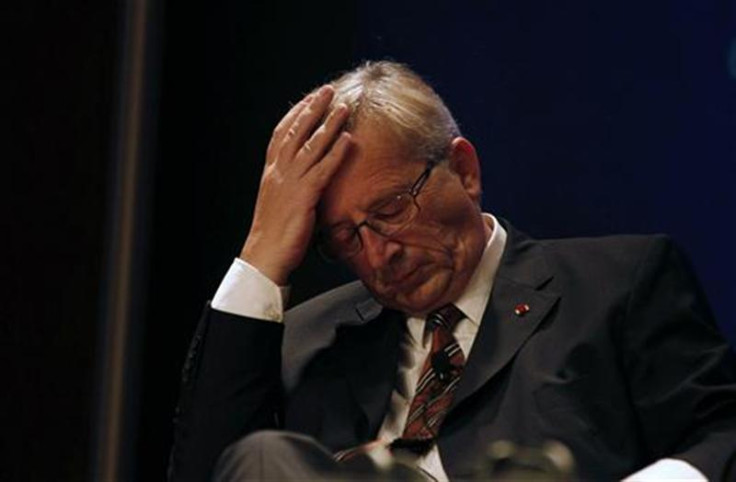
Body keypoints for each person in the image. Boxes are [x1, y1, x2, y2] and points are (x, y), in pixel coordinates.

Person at [169, 61, 736, 481]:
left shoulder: (616, 284)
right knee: (265, 457)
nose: (377, 255)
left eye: (391, 210)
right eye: (345, 238)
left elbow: (722, 435)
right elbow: (209, 471)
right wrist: (264, 250)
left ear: (463, 170)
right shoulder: (310, 341)